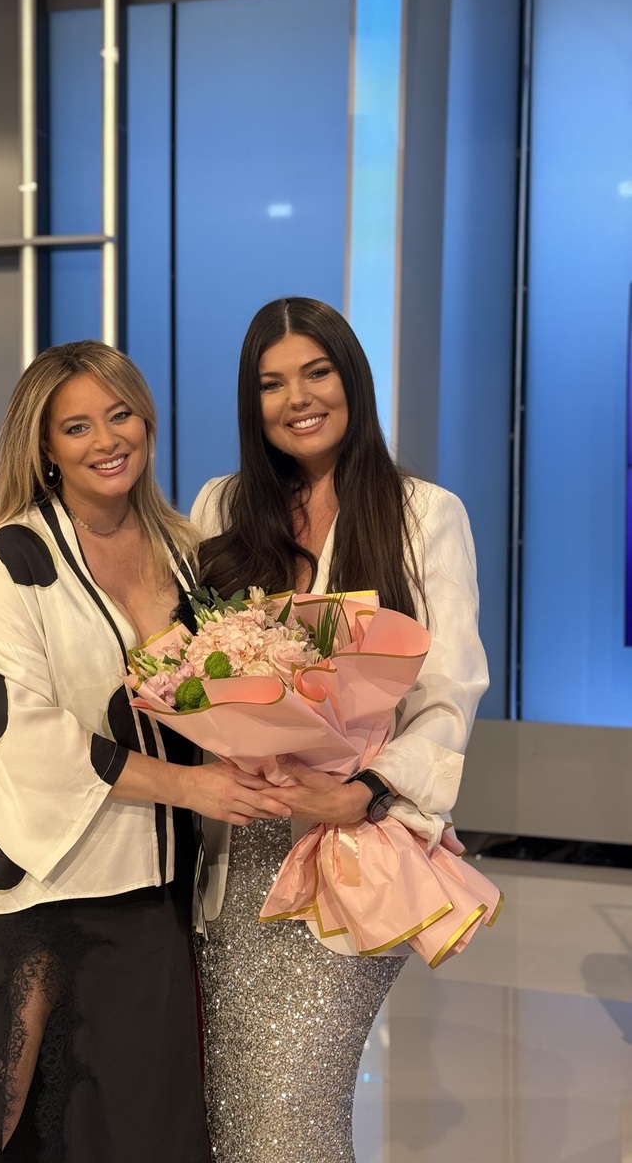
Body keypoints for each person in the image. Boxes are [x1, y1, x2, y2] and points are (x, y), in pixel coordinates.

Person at [0, 340, 291, 1163]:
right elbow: (21, 729)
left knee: (136, 1124)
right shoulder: (15, 557)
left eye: (120, 415)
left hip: (150, 882)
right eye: (77, 426)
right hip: (37, 876)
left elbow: (213, 699)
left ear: (146, 421)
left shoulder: (186, 551)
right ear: (46, 447)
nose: (107, 439)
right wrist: (190, 789)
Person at [191, 297, 489, 1163]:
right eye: (271, 383)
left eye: (316, 372)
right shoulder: (220, 503)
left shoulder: (425, 513)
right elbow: (191, 662)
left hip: (351, 845)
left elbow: (450, 692)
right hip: (233, 845)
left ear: (352, 377)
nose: (297, 398)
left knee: (289, 1115)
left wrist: (363, 792)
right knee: (236, 1114)